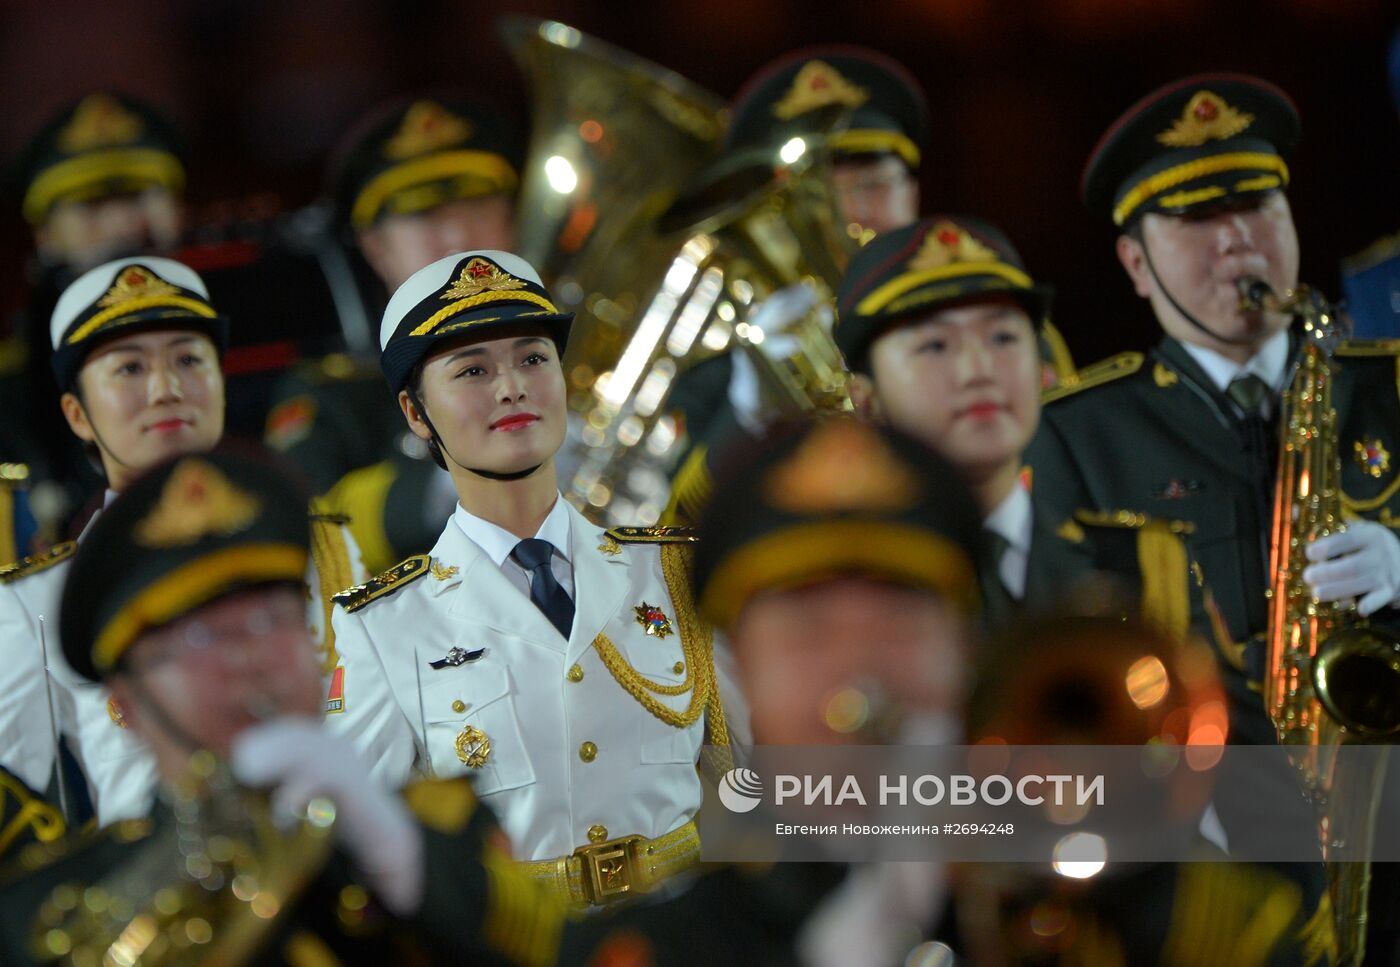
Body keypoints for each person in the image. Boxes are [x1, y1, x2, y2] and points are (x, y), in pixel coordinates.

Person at [1025, 72, 1399, 960]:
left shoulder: (1388, 385)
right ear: (1135, 263)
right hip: (1214, 862)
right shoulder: (1078, 433)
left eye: (1260, 204)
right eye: (1196, 219)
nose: (1238, 240)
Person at [0, 450, 562, 967]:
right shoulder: (43, 914)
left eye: (272, 618)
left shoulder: (436, 834)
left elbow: (555, 948)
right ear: (127, 703)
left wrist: (406, 866)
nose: (252, 657)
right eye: (203, 636)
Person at [324, 249, 738, 910]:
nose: (511, 385)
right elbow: (371, 843)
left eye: (532, 358)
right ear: (415, 412)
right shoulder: (379, 627)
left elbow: (753, 781)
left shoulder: (673, 570)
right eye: (473, 370)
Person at [563, 417, 982, 966]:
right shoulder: (664, 943)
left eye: (900, 622)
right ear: (738, 669)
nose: (859, 665)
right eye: (810, 631)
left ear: (967, 648)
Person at [0, 257, 361, 836]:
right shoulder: (34, 603)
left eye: (189, 360)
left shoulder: (326, 548)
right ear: (77, 415)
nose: (167, 390)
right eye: (129, 369)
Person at [834, 214, 1225, 649]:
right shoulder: (833, 599)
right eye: (935, 346)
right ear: (866, 401)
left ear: (1041, 370)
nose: (978, 371)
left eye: (1002, 338)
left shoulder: (1144, 565)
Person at [265, 95, 526, 572]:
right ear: (375, 247)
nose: (456, 236)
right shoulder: (335, 395)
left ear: (513, 216)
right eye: (423, 215)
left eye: (476, 203)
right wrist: (443, 487)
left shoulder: (585, 355)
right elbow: (306, 530)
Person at [2, 93, 188, 539]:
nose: (123, 225)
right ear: (44, 234)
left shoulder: (256, 343)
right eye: (91, 206)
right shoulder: (14, 394)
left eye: (141, 197)